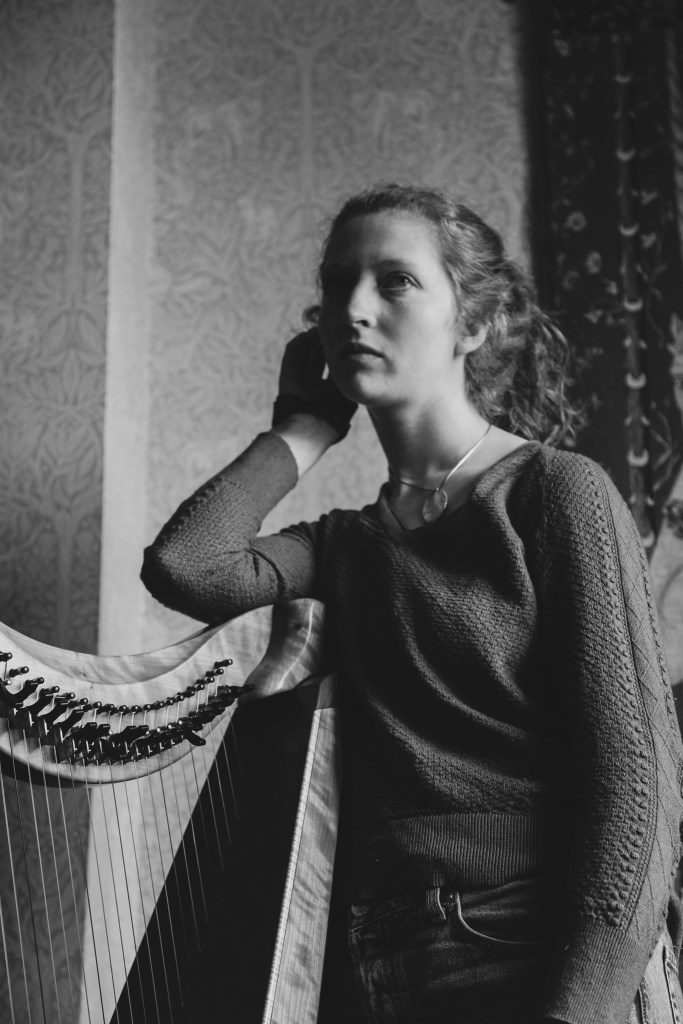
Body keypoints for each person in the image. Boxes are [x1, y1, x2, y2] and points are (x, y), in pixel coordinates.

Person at [141, 183, 683, 1023]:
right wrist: (303, 428)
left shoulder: (553, 494)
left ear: (474, 323)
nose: (353, 310)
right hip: (374, 965)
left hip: (531, 955)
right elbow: (187, 567)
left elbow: (635, 780)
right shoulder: (346, 543)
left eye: (394, 281)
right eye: (336, 285)